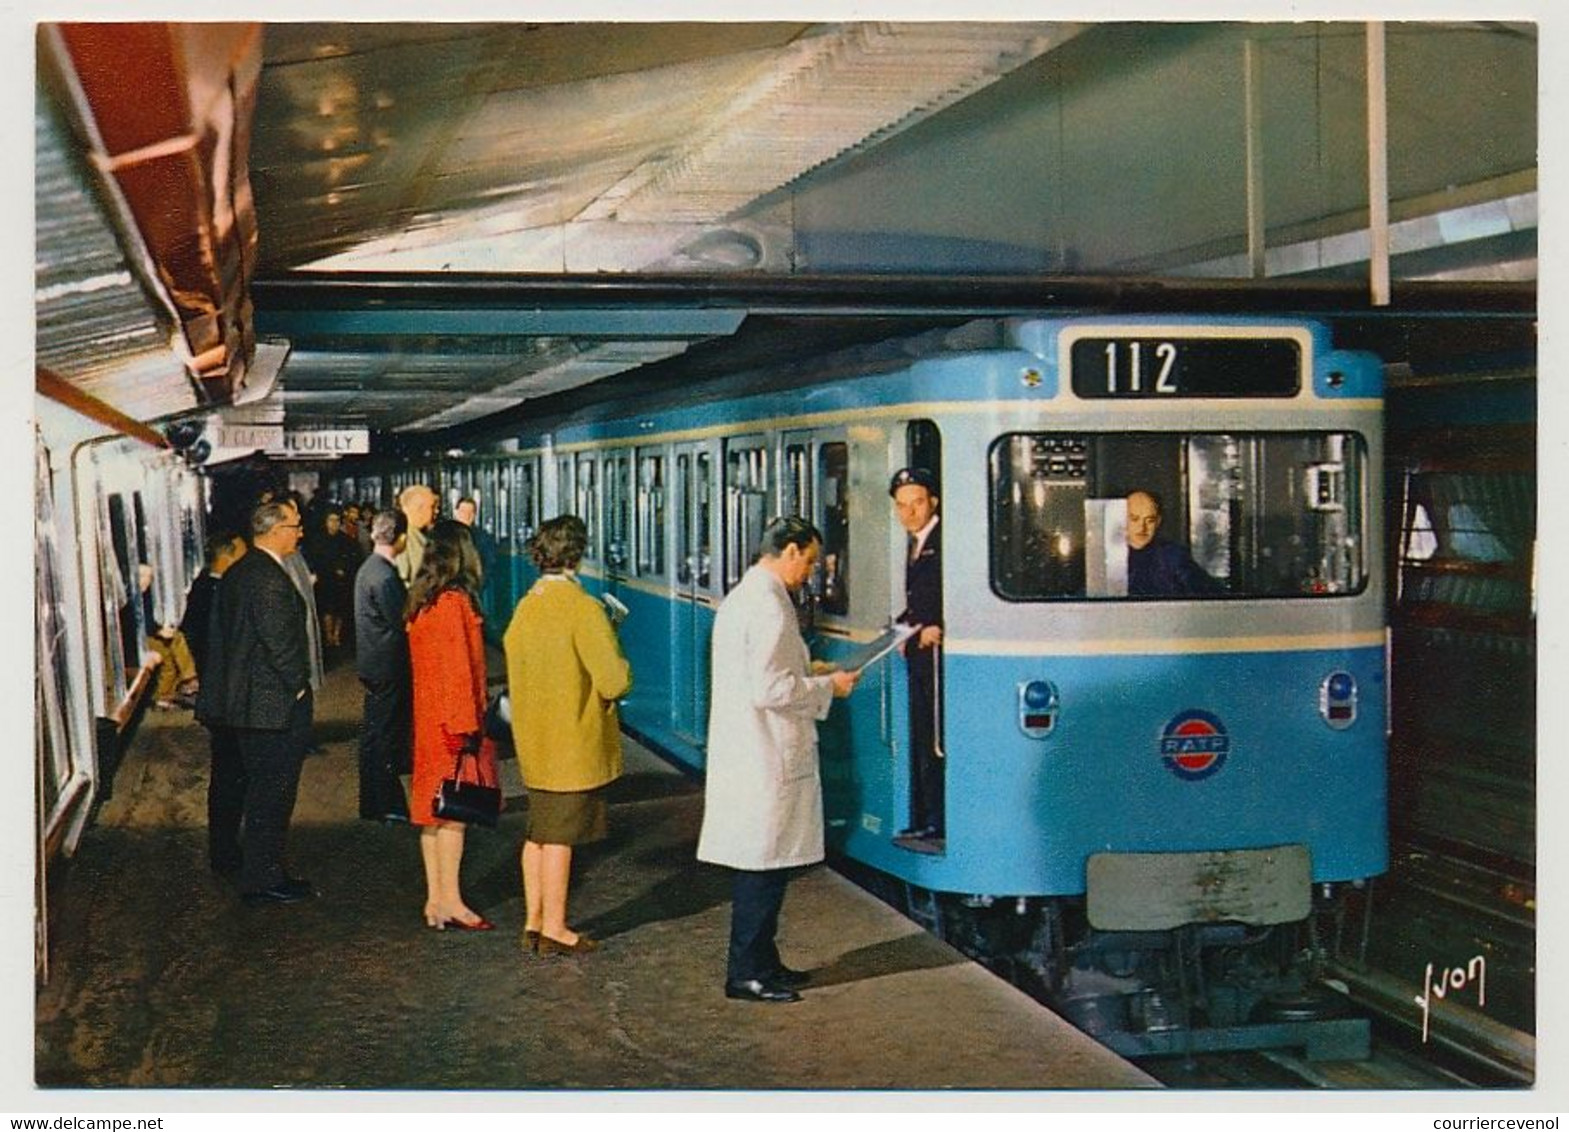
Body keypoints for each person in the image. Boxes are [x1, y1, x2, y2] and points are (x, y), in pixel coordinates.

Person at [696, 516, 860, 1004]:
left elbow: (764, 672)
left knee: (766, 864)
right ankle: (745, 973)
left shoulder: (746, 598)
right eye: (808, 560)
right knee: (761, 869)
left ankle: (764, 962)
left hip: (754, 751)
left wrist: (809, 670)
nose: (809, 571)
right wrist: (827, 686)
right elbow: (770, 689)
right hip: (765, 753)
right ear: (788, 551)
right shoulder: (768, 605)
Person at [504, 515, 632, 957]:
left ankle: (533, 921)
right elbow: (614, 681)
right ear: (577, 554)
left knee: (538, 833)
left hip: (535, 740)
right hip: (570, 743)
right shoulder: (582, 608)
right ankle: (556, 927)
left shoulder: (527, 605)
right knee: (559, 838)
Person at [195, 501, 315, 906]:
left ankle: (263, 871)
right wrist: (298, 688)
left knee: (259, 793)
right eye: (296, 526)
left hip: (247, 706)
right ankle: (263, 879)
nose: (300, 533)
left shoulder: (240, 572)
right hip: (270, 709)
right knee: (272, 796)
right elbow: (279, 643)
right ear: (277, 530)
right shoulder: (267, 577)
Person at [406, 519, 497, 931]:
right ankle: (453, 902)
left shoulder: (421, 602)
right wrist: (466, 730)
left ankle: (434, 900)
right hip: (451, 725)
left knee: (432, 812)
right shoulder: (454, 604)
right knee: (454, 815)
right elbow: (458, 671)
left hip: (428, 720)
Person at [181, 531, 248, 880]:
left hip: (218, 696)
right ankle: (224, 850)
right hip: (224, 700)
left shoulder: (203, 587)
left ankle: (225, 846)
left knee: (228, 773)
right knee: (229, 775)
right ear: (231, 551)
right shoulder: (215, 591)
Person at [888, 467, 945, 850]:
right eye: (902, 506)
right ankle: (926, 819)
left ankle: (936, 822)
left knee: (934, 739)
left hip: (937, 662)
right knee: (923, 739)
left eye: (917, 503)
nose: (909, 512)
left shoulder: (942, 542)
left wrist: (933, 625)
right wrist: (904, 626)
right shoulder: (917, 540)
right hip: (921, 658)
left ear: (933, 502)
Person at [354, 509, 412, 824]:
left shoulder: (368, 569)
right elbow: (402, 621)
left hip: (373, 664)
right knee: (385, 738)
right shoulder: (386, 576)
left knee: (374, 736)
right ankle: (388, 804)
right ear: (400, 538)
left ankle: (372, 803)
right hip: (388, 668)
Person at [1125, 490, 1221, 597]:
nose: (1142, 527)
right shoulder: (1108, 555)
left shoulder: (1172, 555)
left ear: (1158, 522)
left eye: (1150, 520)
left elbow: (1213, 596)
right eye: (1134, 519)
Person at [135, 563, 201, 709]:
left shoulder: (146, 597)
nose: (146, 580)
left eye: (149, 577)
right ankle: (189, 679)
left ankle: (164, 695)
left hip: (146, 637)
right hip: (135, 642)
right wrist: (158, 631)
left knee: (169, 655)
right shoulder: (131, 599)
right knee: (176, 639)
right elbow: (134, 624)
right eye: (142, 576)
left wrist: (160, 629)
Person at [306, 507, 361, 649]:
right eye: (331, 520)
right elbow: (315, 559)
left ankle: (336, 635)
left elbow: (352, 557)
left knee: (340, 609)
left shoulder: (345, 540)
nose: (334, 523)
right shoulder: (318, 540)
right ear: (325, 522)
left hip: (342, 580)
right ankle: (328, 635)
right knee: (328, 609)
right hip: (325, 579)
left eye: (337, 520)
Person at [395, 484, 439, 585]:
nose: (436, 511)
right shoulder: (402, 537)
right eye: (432, 507)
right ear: (419, 508)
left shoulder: (423, 534)